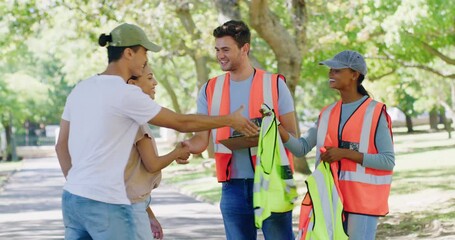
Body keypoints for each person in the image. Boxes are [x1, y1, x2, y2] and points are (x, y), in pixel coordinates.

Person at [55, 22, 258, 240]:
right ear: (129, 53)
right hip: (106, 203)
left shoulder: (81, 88)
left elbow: (61, 146)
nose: (145, 61)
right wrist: (230, 120)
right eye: (145, 53)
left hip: (73, 200)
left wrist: (79, 184)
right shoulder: (125, 94)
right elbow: (181, 122)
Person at [184, 20, 298, 240]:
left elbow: (293, 137)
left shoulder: (275, 84)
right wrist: (186, 148)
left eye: (226, 49)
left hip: (272, 182)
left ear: (245, 48)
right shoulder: (209, 89)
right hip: (232, 188)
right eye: (217, 50)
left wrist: (266, 132)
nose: (220, 55)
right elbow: (200, 140)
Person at [281, 50, 395, 240]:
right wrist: (276, 127)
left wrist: (345, 153)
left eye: (336, 70)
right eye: (330, 70)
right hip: (330, 199)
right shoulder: (327, 113)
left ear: (354, 75)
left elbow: (387, 161)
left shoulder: (375, 113)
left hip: (362, 202)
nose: (330, 74)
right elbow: (301, 148)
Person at [124, 65, 190, 240]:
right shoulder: (134, 120)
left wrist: (150, 215)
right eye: (149, 78)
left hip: (136, 205)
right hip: (131, 208)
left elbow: (132, 176)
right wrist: (177, 152)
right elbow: (152, 165)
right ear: (133, 84)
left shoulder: (125, 117)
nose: (155, 82)